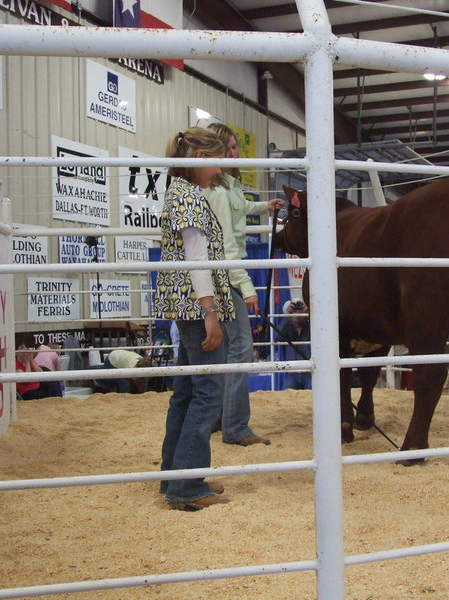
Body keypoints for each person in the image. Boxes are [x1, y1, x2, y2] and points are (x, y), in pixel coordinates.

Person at [154, 127, 235, 512]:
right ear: (201, 158)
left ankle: (176, 474)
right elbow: (196, 259)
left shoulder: (179, 192)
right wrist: (210, 313)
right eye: (215, 161)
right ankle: (186, 485)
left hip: (183, 306)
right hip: (194, 306)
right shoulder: (189, 196)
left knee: (186, 391)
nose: (218, 170)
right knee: (207, 392)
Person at [203, 122, 283, 447]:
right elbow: (227, 247)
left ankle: (219, 418)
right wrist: (247, 288)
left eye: (236, 147)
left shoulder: (228, 186)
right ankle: (235, 426)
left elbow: (243, 208)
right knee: (241, 347)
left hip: (223, 273)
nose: (234, 153)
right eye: (228, 148)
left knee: (225, 348)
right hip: (226, 274)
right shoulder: (220, 192)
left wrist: (265, 206)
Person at [15, 334, 63, 400]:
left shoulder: (31, 362)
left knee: (52, 380)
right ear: (17, 353)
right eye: (22, 348)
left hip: (37, 387)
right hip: (27, 392)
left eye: (25, 347)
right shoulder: (16, 365)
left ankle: (59, 400)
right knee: (49, 390)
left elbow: (41, 374)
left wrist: (31, 360)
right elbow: (26, 379)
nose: (25, 349)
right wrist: (27, 362)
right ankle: (56, 399)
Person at [278, 299, 312, 389]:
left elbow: (319, 331)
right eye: (294, 312)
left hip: (308, 371)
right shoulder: (287, 328)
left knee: (312, 390)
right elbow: (277, 335)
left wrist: (309, 313)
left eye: (300, 311)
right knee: (286, 391)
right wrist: (287, 316)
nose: (297, 315)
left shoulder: (310, 327)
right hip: (292, 372)